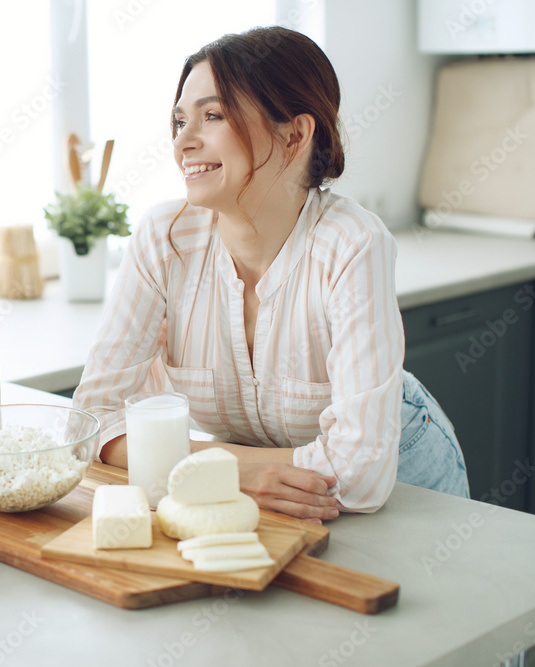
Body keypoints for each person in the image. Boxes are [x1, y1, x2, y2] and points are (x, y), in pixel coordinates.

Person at [72, 27, 469, 523]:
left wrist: (201, 465)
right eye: (179, 121)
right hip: (270, 495)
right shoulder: (164, 238)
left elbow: (363, 473)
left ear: (295, 135)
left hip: (405, 484)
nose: (182, 143)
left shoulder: (352, 243)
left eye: (212, 116)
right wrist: (232, 472)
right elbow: (88, 426)